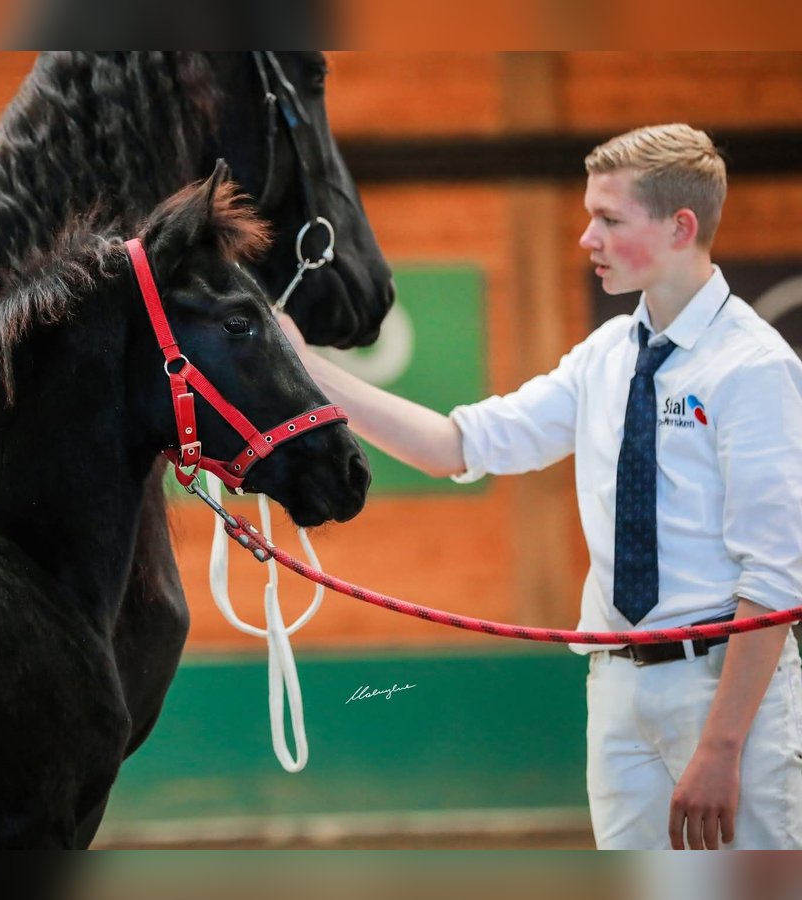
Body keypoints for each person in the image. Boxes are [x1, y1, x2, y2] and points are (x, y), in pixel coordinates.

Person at [280, 123, 802, 850]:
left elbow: (776, 577)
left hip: (720, 693)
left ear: (682, 227)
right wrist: (304, 371)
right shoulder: (604, 357)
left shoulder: (754, 367)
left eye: (609, 219)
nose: (586, 237)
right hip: (615, 687)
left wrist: (721, 746)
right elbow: (454, 445)